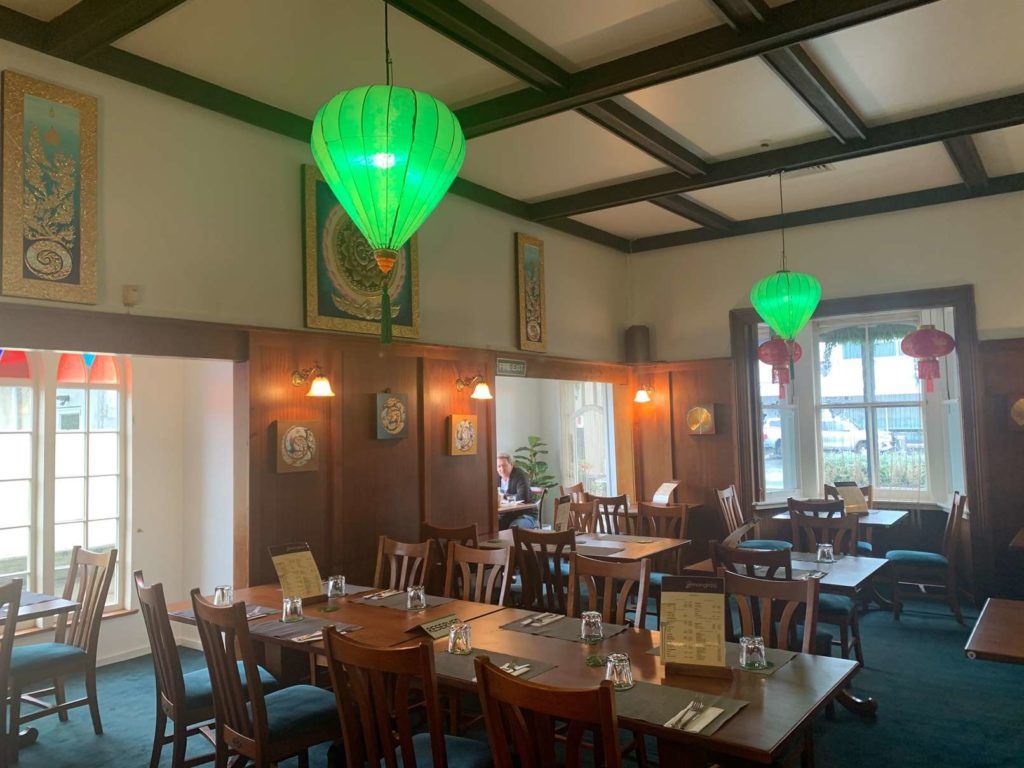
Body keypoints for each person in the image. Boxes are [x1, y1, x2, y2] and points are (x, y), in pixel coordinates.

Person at [496, 452, 537, 530]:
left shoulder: (520, 475)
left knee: (513, 528)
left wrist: (503, 496)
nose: (502, 469)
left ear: (511, 465)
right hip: (506, 516)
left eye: (504, 465)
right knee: (490, 526)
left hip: (525, 515)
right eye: (499, 466)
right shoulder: (497, 477)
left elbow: (523, 497)